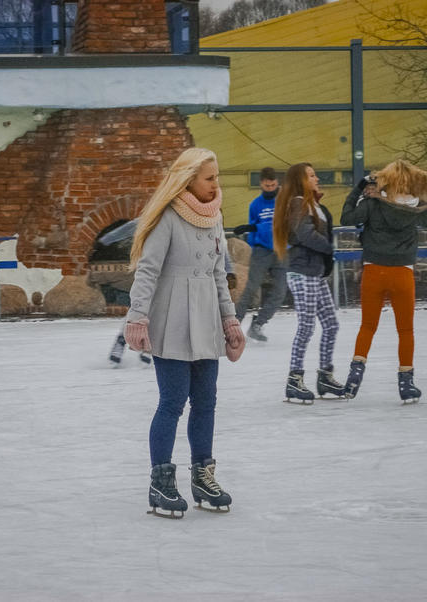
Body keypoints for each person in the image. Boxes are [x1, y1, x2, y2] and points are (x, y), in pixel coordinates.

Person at [124, 147, 245, 518]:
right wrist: (137, 317)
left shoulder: (214, 217)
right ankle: (161, 481)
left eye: (216, 177)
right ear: (188, 179)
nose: (216, 184)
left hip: (207, 320)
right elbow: (148, 270)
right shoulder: (167, 218)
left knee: (206, 402)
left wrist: (230, 320)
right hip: (172, 320)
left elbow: (218, 275)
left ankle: (203, 477)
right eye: (209, 178)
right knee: (173, 402)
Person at [339, 159, 427, 404]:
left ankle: (355, 375)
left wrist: (358, 188)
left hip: (374, 271)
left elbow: (346, 217)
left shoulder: (373, 203)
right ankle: (406, 383)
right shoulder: (416, 208)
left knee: (367, 326)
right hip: (402, 273)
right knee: (405, 330)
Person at [104, 222, 236, 366]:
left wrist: (229, 270)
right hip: (154, 274)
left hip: (174, 281)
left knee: (161, 315)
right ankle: (121, 341)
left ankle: (149, 347)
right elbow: (129, 227)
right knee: (138, 311)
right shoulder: (160, 218)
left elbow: (219, 248)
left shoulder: (206, 222)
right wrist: (107, 240)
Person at [272, 163, 345, 404]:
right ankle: (294, 379)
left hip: (315, 272)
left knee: (331, 324)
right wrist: (328, 248)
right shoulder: (298, 203)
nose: (317, 178)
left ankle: (325, 376)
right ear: (301, 180)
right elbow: (304, 234)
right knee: (306, 326)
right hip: (302, 272)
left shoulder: (313, 204)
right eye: (312, 175)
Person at [232, 167, 287, 342]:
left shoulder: (284, 201)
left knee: (280, 291)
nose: (270, 188)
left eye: (273, 185)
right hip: (261, 251)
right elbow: (253, 229)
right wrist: (252, 246)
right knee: (250, 288)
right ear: (261, 184)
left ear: (277, 183)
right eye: (267, 186)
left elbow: (280, 224)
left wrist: (254, 227)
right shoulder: (255, 205)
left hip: (281, 251)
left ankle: (258, 324)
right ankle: (234, 325)